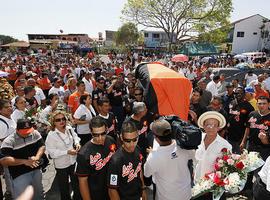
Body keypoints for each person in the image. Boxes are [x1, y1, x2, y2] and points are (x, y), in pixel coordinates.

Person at [144, 119, 194, 200]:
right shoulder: (183, 146)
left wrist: (151, 154)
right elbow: (193, 155)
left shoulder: (153, 157)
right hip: (186, 195)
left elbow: (147, 176)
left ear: (155, 137)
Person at [1, 118, 45, 199]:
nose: (28, 134)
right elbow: (4, 160)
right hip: (19, 174)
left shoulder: (35, 133)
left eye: (29, 131)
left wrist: (37, 157)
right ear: (17, 130)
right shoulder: (8, 141)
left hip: (36, 170)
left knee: (39, 194)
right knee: (23, 196)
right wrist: (24, 161)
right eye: (24, 132)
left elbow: (42, 146)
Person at [76, 116, 116, 200]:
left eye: (103, 133)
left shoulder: (111, 140)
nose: (100, 138)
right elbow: (83, 181)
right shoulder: (83, 154)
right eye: (96, 135)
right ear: (91, 132)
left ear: (106, 129)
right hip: (96, 194)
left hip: (113, 190)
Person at [45, 110, 81, 200]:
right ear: (53, 122)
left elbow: (75, 136)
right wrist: (67, 152)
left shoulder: (69, 128)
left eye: (63, 119)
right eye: (58, 120)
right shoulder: (51, 135)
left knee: (76, 185)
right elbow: (51, 153)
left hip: (73, 161)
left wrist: (77, 143)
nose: (61, 121)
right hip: (61, 165)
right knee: (64, 189)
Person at [107, 121, 147, 200]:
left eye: (135, 139)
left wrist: (143, 188)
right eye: (128, 141)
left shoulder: (138, 149)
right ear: (121, 137)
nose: (132, 144)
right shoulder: (115, 161)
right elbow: (112, 189)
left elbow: (139, 169)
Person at [195, 111, 232, 183]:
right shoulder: (197, 139)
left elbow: (227, 167)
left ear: (218, 128)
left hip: (213, 185)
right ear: (203, 126)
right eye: (208, 125)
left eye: (214, 125)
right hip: (196, 181)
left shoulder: (225, 145)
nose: (211, 128)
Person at [240, 96, 270, 160]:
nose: (261, 105)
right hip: (251, 146)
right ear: (256, 104)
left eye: (264, 103)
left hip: (265, 149)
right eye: (259, 103)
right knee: (250, 166)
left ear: (269, 104)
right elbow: (247, 128)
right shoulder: (252, 114)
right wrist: (243, 141)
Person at [227, 87, 254, 153]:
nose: (238, 94)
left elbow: (249, 125)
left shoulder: (249, 107)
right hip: (229, 135)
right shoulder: (231, 103)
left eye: (240, 93)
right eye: (236, 93)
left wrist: (244, 140)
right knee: (229, 156)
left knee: (239, 158)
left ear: (244, 94)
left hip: (241, 137)